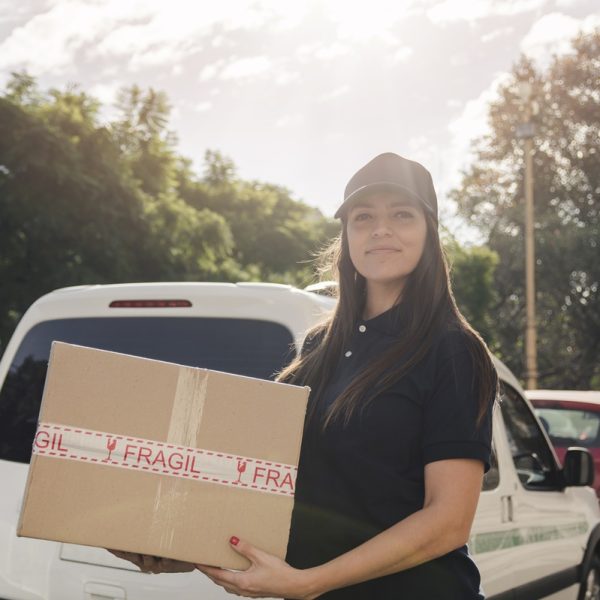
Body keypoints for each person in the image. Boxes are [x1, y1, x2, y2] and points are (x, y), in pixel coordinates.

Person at [112, 152, 498, 599]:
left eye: (402, 215)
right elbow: (277, 492)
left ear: (430, 233)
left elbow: (448, 522)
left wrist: (308, 582)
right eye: (363, 217)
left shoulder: (451, 350)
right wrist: (176, 547)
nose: (380, 230)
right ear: (346, 235)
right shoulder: (320, 346)